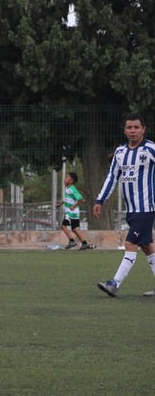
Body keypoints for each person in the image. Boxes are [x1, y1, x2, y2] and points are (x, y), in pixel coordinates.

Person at [95, 113, 155, 297]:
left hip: (145, 208)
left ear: (143, 129)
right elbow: (112, 177)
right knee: (147, 247)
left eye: (136, 127)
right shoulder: (120, 152)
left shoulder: (150, 149)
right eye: (129, 127)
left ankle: (114, 284)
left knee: (130, 243)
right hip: (131, 209)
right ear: (124, 130)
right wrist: (100, 200)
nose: (133, 131)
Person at [60, 172, 93, 250]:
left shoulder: (72, 189)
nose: (64, 179)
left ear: (71, 181)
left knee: (63, 226)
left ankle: (72, 241)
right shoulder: (68, 189)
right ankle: (84, 243)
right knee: (74, 228)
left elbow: (80, 199)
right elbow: (67, 199)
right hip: (72, 213)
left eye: (67, 177)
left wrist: (73, 207)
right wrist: (59, 204)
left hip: (72, 213)